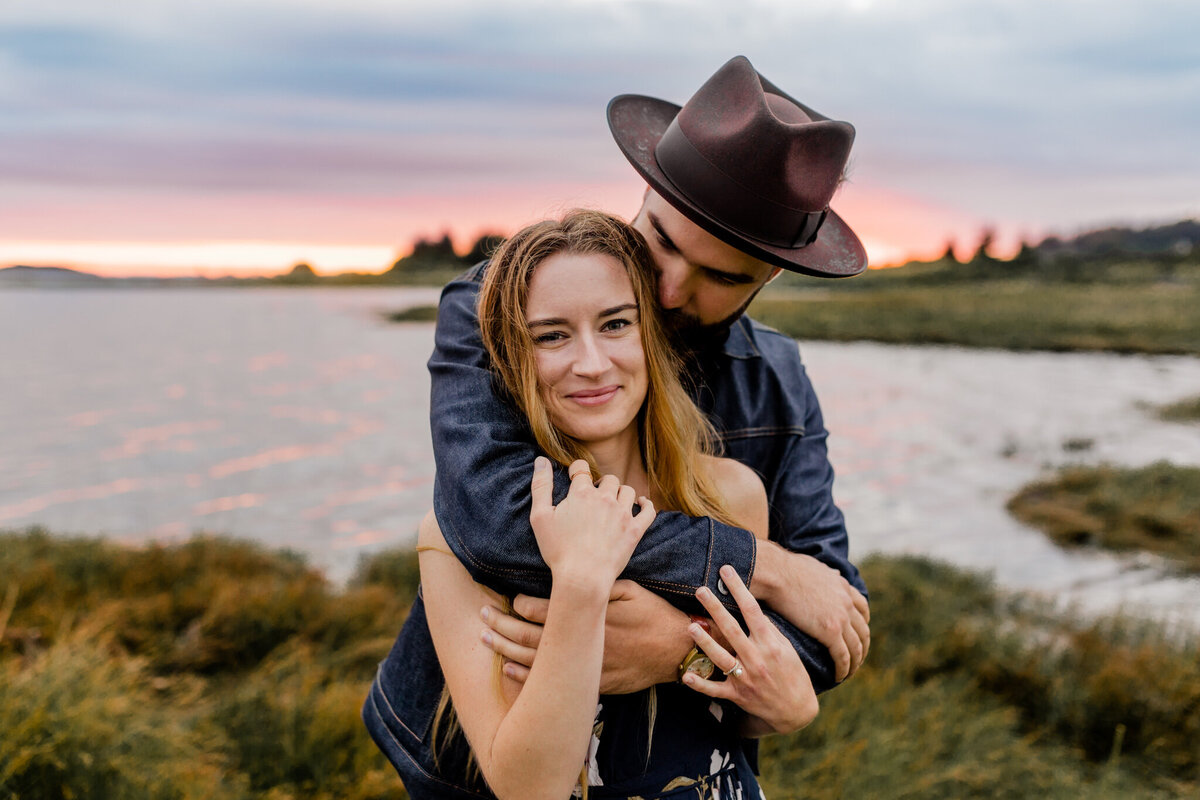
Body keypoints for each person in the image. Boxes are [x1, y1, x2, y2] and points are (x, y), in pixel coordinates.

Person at [364, 55, 871, 798]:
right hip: (472, 761)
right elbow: (494, 520)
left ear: (770, 275)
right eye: (661, 241)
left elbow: (833, 618)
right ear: (645, 192)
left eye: (719, 276)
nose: (667, 289)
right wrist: (759, 567)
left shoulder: (776, 384)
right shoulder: (496, 311)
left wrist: (683, 652)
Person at [417, 209, 818, 798]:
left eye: (614, 325)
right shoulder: (457, 536)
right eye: (551, 335)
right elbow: (529, 788)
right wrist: (581, 586)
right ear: (513, 357)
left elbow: (733, 726)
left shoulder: (731, 494)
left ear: (649, 335)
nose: (592, 363)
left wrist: (788, 704)